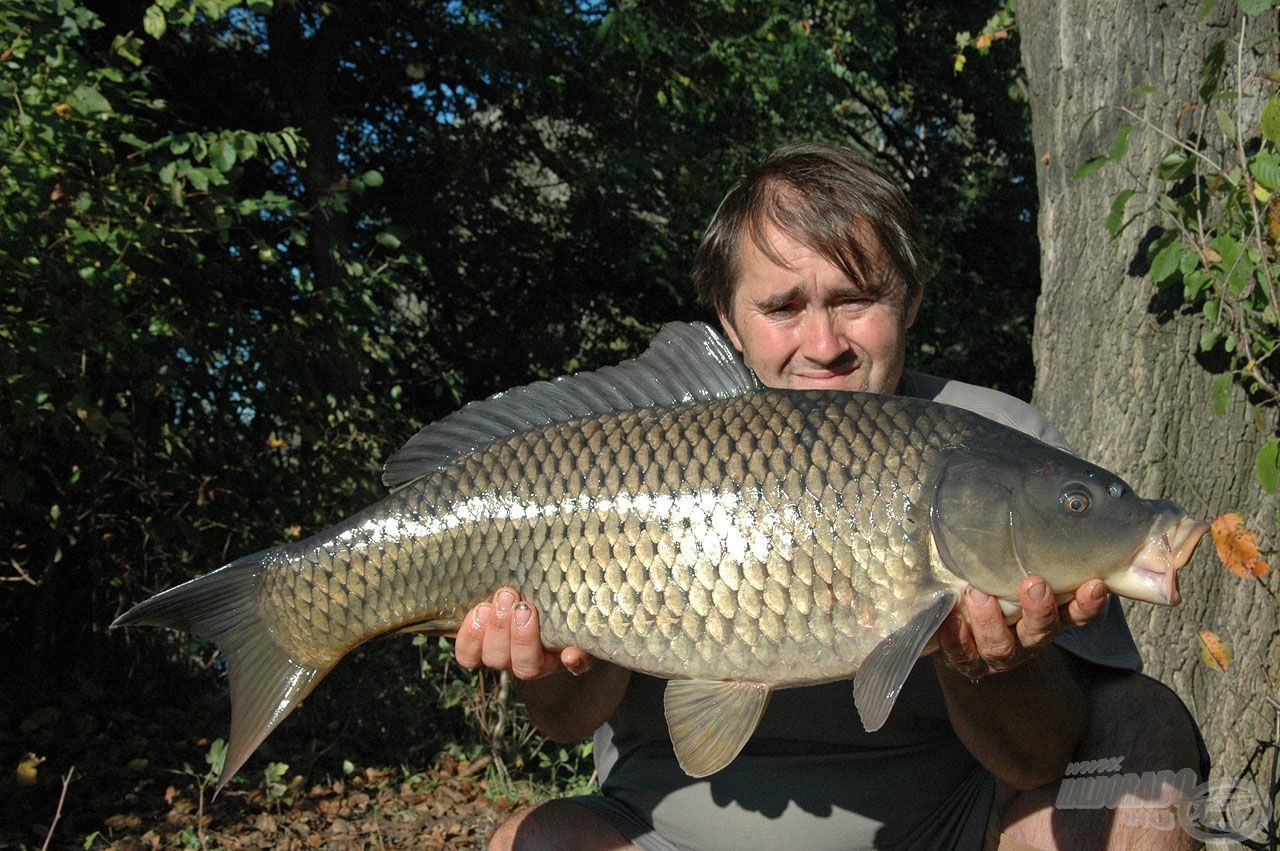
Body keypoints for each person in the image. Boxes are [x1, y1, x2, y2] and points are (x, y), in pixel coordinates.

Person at [456, 142, 1208, 849]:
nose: (823, 345)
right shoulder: (636, 445)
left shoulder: (1000, 444)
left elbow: (1039, 756)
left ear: (910, 300)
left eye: (855, 300)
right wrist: (554, 668)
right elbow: (564, 724)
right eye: (782, 307)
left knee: (1144, 722)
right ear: (729, 320)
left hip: (948, 828)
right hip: (668, 833)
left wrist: (991, 664)